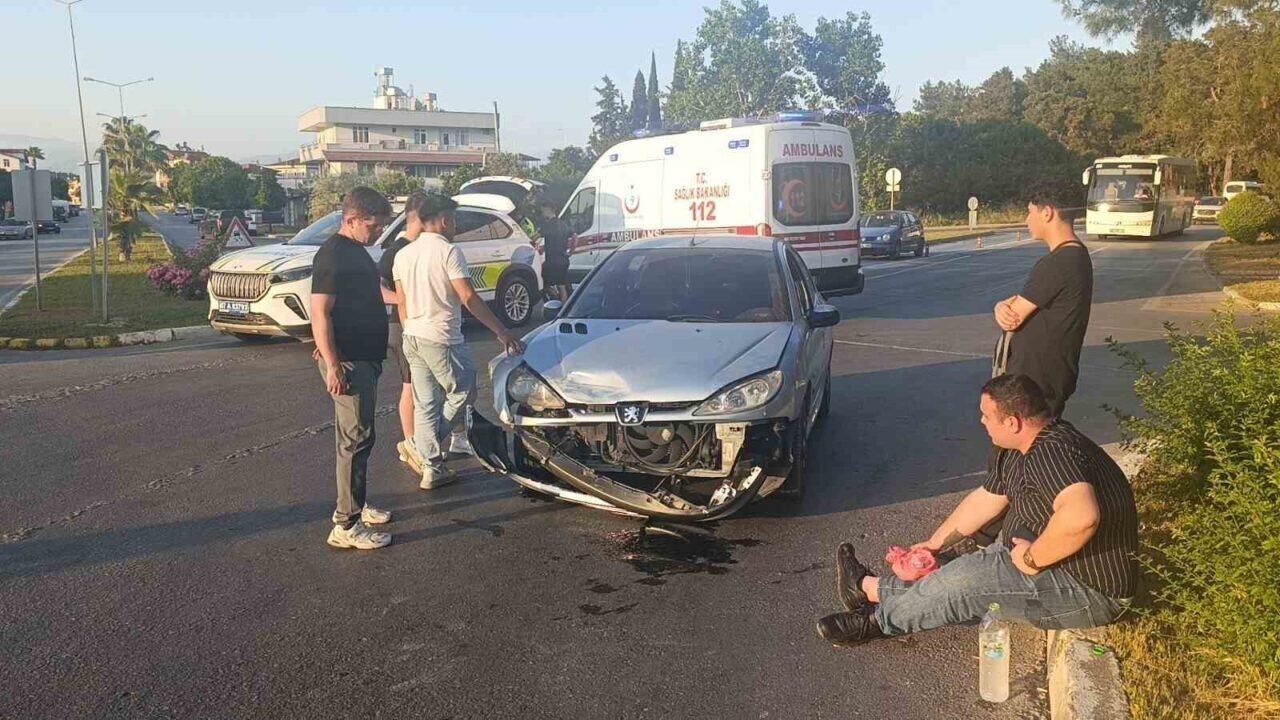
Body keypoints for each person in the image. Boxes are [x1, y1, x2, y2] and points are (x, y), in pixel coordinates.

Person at [815, 374, 1138, 646]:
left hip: (1088, 591)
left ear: (1012, 422)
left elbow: (1081, 517)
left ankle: (877, 623)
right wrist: (934, 544)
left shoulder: (1052, 452)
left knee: (964, 582)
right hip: (1041, 559)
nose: (981, 421)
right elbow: (987, 498)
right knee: (952, 572)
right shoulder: (1020, 447)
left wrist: (1031, 559)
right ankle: (867, 589)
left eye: (986, 415)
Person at [392, 193, 526, 490]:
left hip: (412, 335)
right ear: (443, 220)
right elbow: (468, 297)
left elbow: (401, 302)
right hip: (442, 337)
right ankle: (420, 448)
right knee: (464, 391)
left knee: (426, 403)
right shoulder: (448, 252)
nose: (454, 225)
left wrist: (409, 330)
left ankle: (431, 467)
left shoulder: (403, 255)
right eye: (453, 219)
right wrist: (501, 331)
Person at [311, 187, 393, 550]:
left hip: (363, 357)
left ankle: (355, 504)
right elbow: (320, 311)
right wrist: (332, 363)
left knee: (359, 438)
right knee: (355, 440)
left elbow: (365, 297)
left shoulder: (356, 251)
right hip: (348, 363)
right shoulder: (333, 255)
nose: (378, 232)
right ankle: (346, 524)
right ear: (351, 219)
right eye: (373, 226)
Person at [378, 191, 428, 475]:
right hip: (402, 326)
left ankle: (425, 440)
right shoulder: (397, 251)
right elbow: (377, 287)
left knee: (425, 386)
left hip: (422, 325)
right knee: (410, 385)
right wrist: (402, 300)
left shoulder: (423, 248)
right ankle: (410, 443)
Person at [537, 199, 572, 301]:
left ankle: (556, 300)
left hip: (552, 261)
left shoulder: (548, 225)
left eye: (543, 211)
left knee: (542, 282)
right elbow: (574, 236)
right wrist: (571, 252)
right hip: (563, 259)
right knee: (561, 286)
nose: (543, 214)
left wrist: (529, 242)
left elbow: (535, 237)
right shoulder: (563, 224)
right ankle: (563, 304)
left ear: (548, 210)